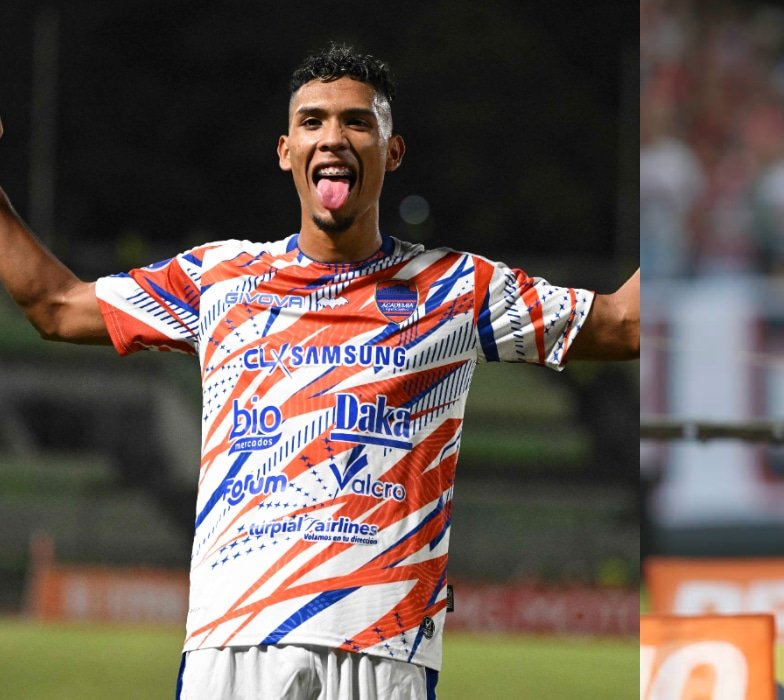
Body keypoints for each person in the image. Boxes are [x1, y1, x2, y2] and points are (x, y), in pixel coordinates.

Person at [0, 44, 638, 700]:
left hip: (383, 643)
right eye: (312, 121)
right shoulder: (218, 280)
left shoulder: (455, 289)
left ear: (392, 151)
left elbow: (624, 324)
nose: (333, 136)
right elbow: (54, 306)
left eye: (357, 122)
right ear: (285, 151)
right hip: (236, 638)